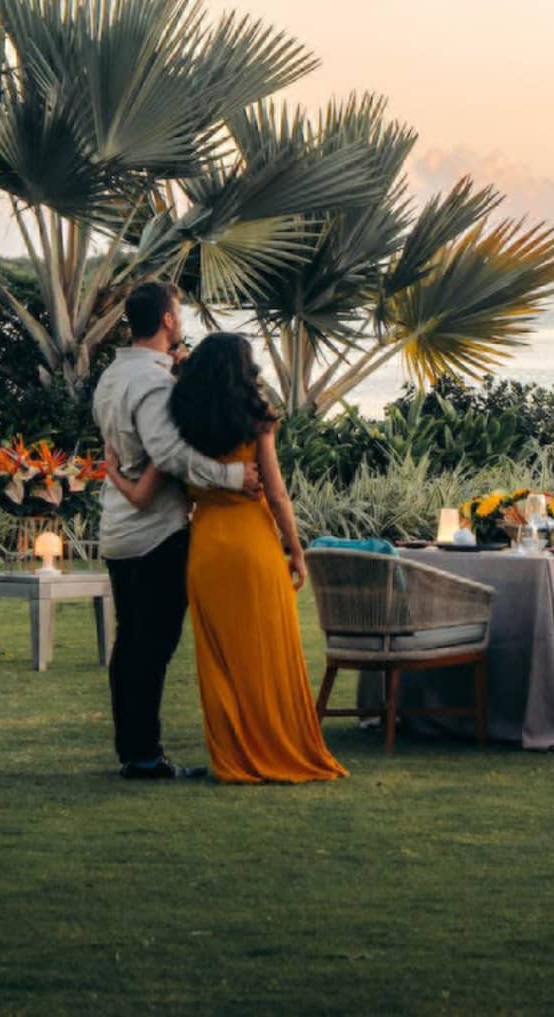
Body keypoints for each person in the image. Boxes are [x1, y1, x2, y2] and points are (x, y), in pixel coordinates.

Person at [104, 332, 346, 786]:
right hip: (252, 544)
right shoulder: (256, 419)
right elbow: (275, 493)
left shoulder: (181, 420)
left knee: (221, 659)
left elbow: (153, 480)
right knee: (266, 649)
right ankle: (277, 745)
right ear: (244, 370)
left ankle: (233, 754)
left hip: (207, 548)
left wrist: (114, 473)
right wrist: (295, 549)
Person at [93, 280, 262, 781]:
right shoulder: (151, 381)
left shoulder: (114, 375)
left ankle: (136, 750)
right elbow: (168, 454)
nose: (182, 319)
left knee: (133, 643)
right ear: (167, 319)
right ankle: (143, 755)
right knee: (153, 645)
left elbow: (128, 452)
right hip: (155, 533)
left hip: (121, 527)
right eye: (179, 311)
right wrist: (232, 476)